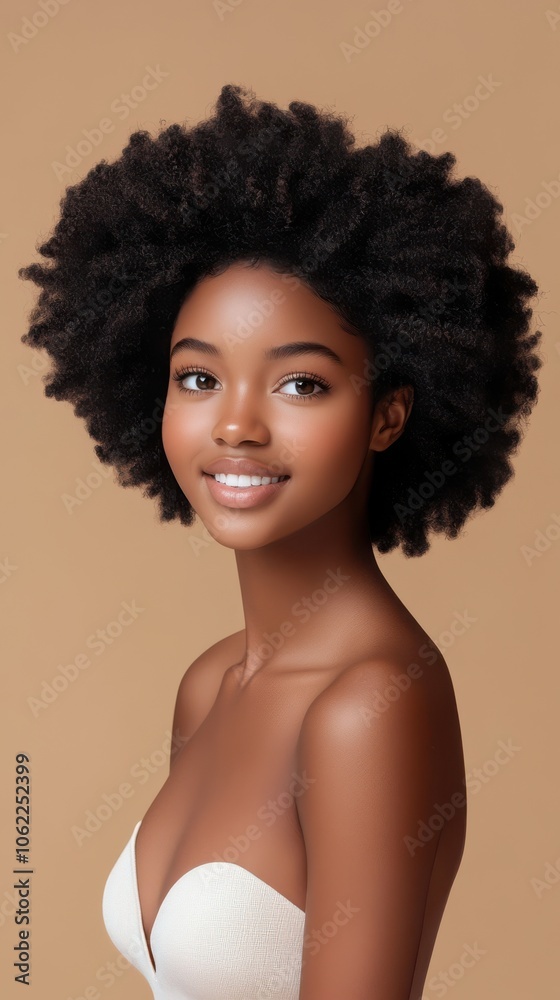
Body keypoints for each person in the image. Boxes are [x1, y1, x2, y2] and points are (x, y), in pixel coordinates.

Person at [19, 83, 542, 1000]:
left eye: (300, 384)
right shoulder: (211, 684)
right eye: (197, 377)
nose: (236, 427)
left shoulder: (370, 707)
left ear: (387, 416)